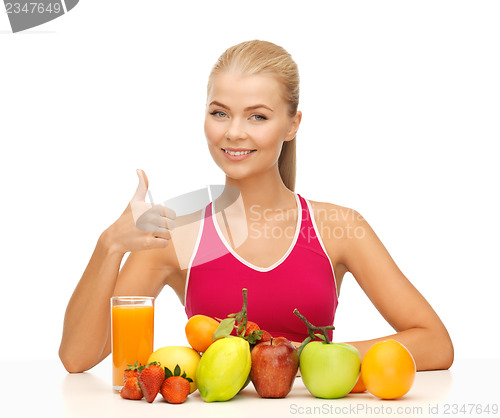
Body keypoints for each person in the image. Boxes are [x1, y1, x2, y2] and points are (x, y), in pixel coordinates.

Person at [59, 40, 453, 374]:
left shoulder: (337, 226)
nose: (233, 132)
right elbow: (78, 358)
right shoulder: (179, 234)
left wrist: (303, 359)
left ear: (292, 124)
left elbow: (435, 344)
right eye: (219, 113)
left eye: (258, 116)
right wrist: (109, 245)